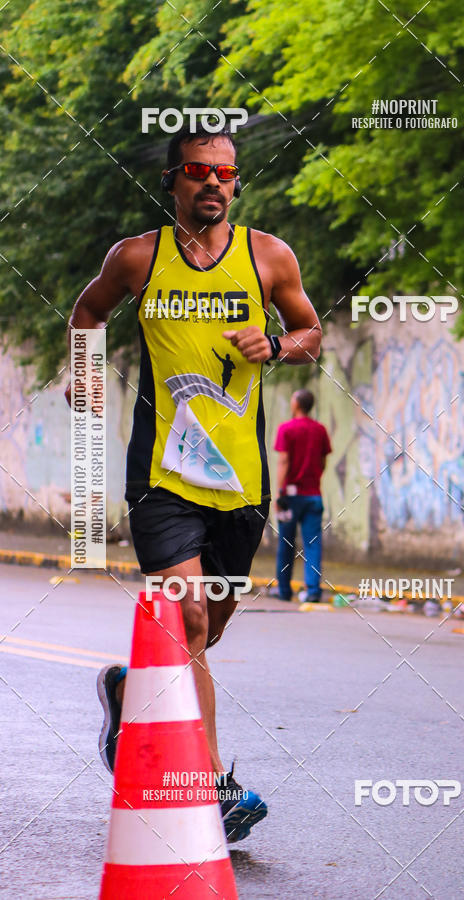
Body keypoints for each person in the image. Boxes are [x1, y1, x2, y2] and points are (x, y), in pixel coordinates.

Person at [65, 125, 321, 842]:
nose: (214, 183)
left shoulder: (268, 257)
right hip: (162, 477)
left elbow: (311, 333)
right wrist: (84, 368)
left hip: (242, 482)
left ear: (236, 182)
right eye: (199, 172)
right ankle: (211, 785)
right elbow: (88, 311)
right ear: (174, 179)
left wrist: (275, 345)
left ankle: (127, 692)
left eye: (226, 173)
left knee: (205, 634)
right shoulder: (137, 258)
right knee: (192, 623)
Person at [274, 389, 331, 602]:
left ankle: (284, 590)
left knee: (286, 544)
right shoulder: (320, 430)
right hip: (313, 496)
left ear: (296, 404)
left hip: (290, 497)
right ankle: (313, 591)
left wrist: (281, 492)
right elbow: (323, 462)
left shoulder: (286, 429)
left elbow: (284, 461)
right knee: (313, 543)